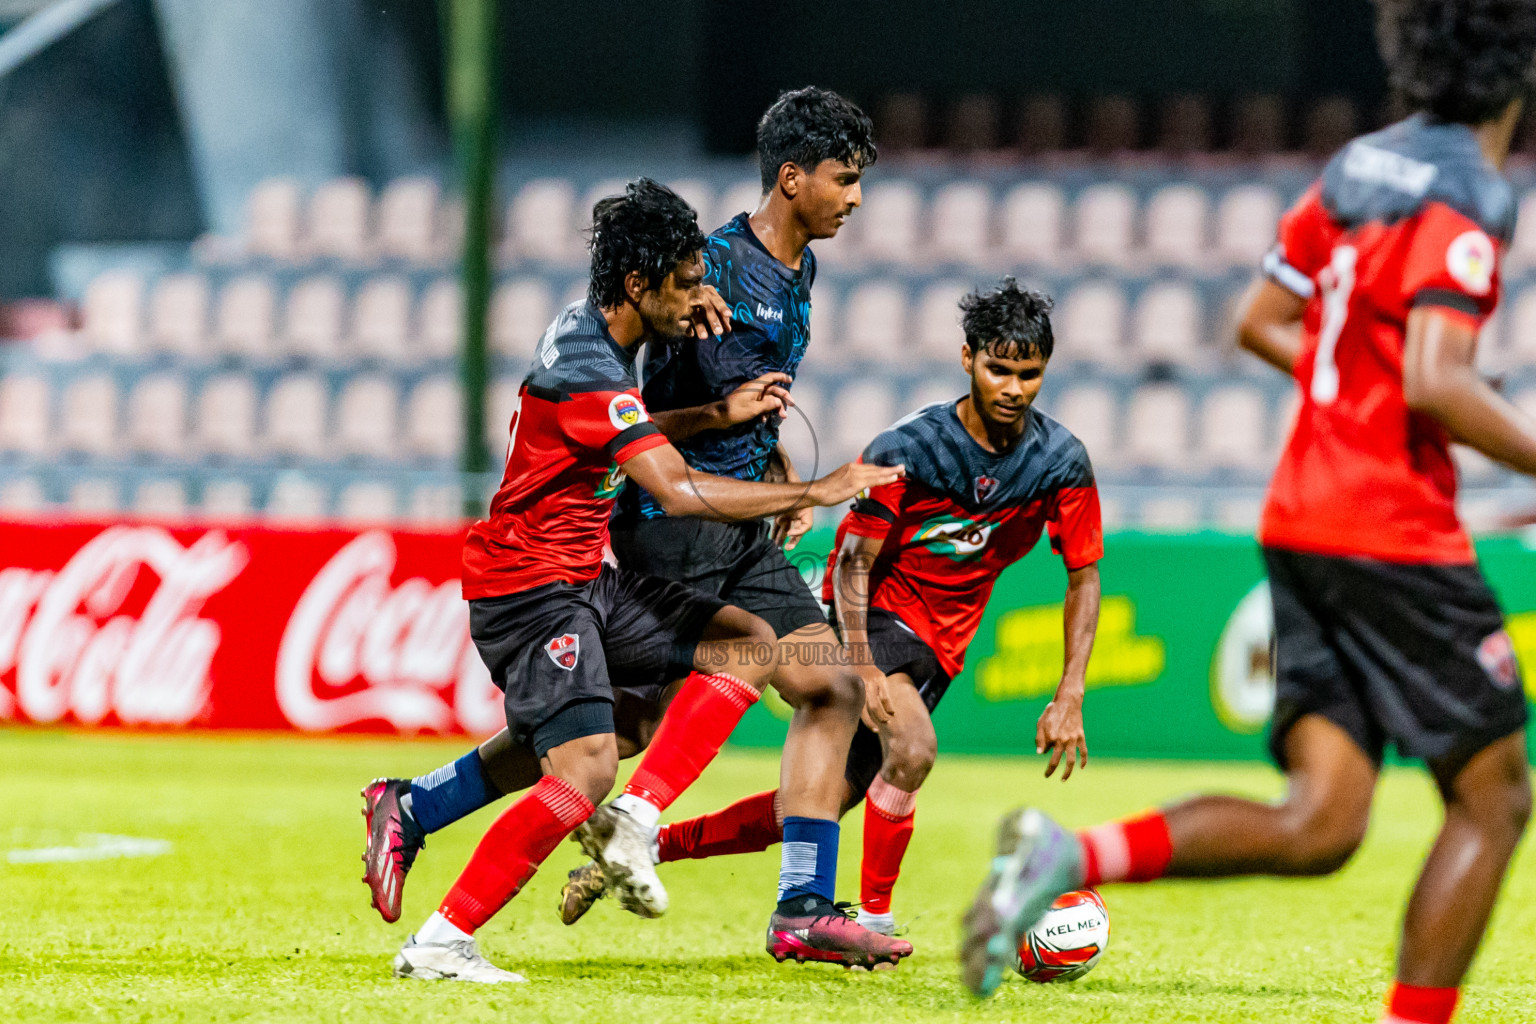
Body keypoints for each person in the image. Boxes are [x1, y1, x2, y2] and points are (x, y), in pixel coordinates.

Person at [960, 4, 1536, 1019]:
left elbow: (1262, 321)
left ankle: (1069, 853)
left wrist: (1348, 389)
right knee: (1494, 798)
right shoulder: (1475, 192)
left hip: (1301, 516)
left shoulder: (1361, 167)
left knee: (1322, 823)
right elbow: (1439, 377)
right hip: (1389, 528)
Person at [366, 87, 911, 968]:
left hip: (645, 551)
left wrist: (752, 442)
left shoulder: (748, 284)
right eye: (845, 181)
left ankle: (796, 908)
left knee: (800, 686)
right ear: (791, 177)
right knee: (597, 755)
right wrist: (817, 485)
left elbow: (659, 416)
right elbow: (662, 463)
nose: (855, 198)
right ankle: (596, 843)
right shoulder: (671, 300)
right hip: (621, 546)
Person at [558, 277, 1101, 942]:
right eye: (998, 369)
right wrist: (865, 669)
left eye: (1030, 374)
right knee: (913, 749)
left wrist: (1070, 689)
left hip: (940, 647)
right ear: (967, 360)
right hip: (868, 617)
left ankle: (651, 844)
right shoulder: (910, 449)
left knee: (814, 805)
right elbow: (853, 565)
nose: (1013, 388)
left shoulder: (1060, 463)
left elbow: (1083, 575)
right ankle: (874, 915)